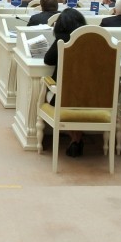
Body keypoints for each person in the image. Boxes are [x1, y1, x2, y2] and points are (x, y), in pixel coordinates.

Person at [43, 8, 87, 157]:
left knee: (61, 95)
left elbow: (48, 60)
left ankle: (75, 140)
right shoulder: (90, 39)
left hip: (63, 97)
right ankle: (77, 139)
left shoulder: (62, 39)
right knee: (78, 100)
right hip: (90, 98)